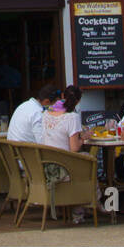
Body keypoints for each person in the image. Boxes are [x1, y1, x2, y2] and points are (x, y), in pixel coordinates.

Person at [37, 85, 89, 223]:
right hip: (63, 167)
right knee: (89, 163)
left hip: (47, 165)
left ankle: (82, 208)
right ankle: (85, 208)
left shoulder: (46, 113)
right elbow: (74, 148)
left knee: (85, 162)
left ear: (62, 97)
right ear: (78, 101)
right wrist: (84, 138)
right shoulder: (72, 117)